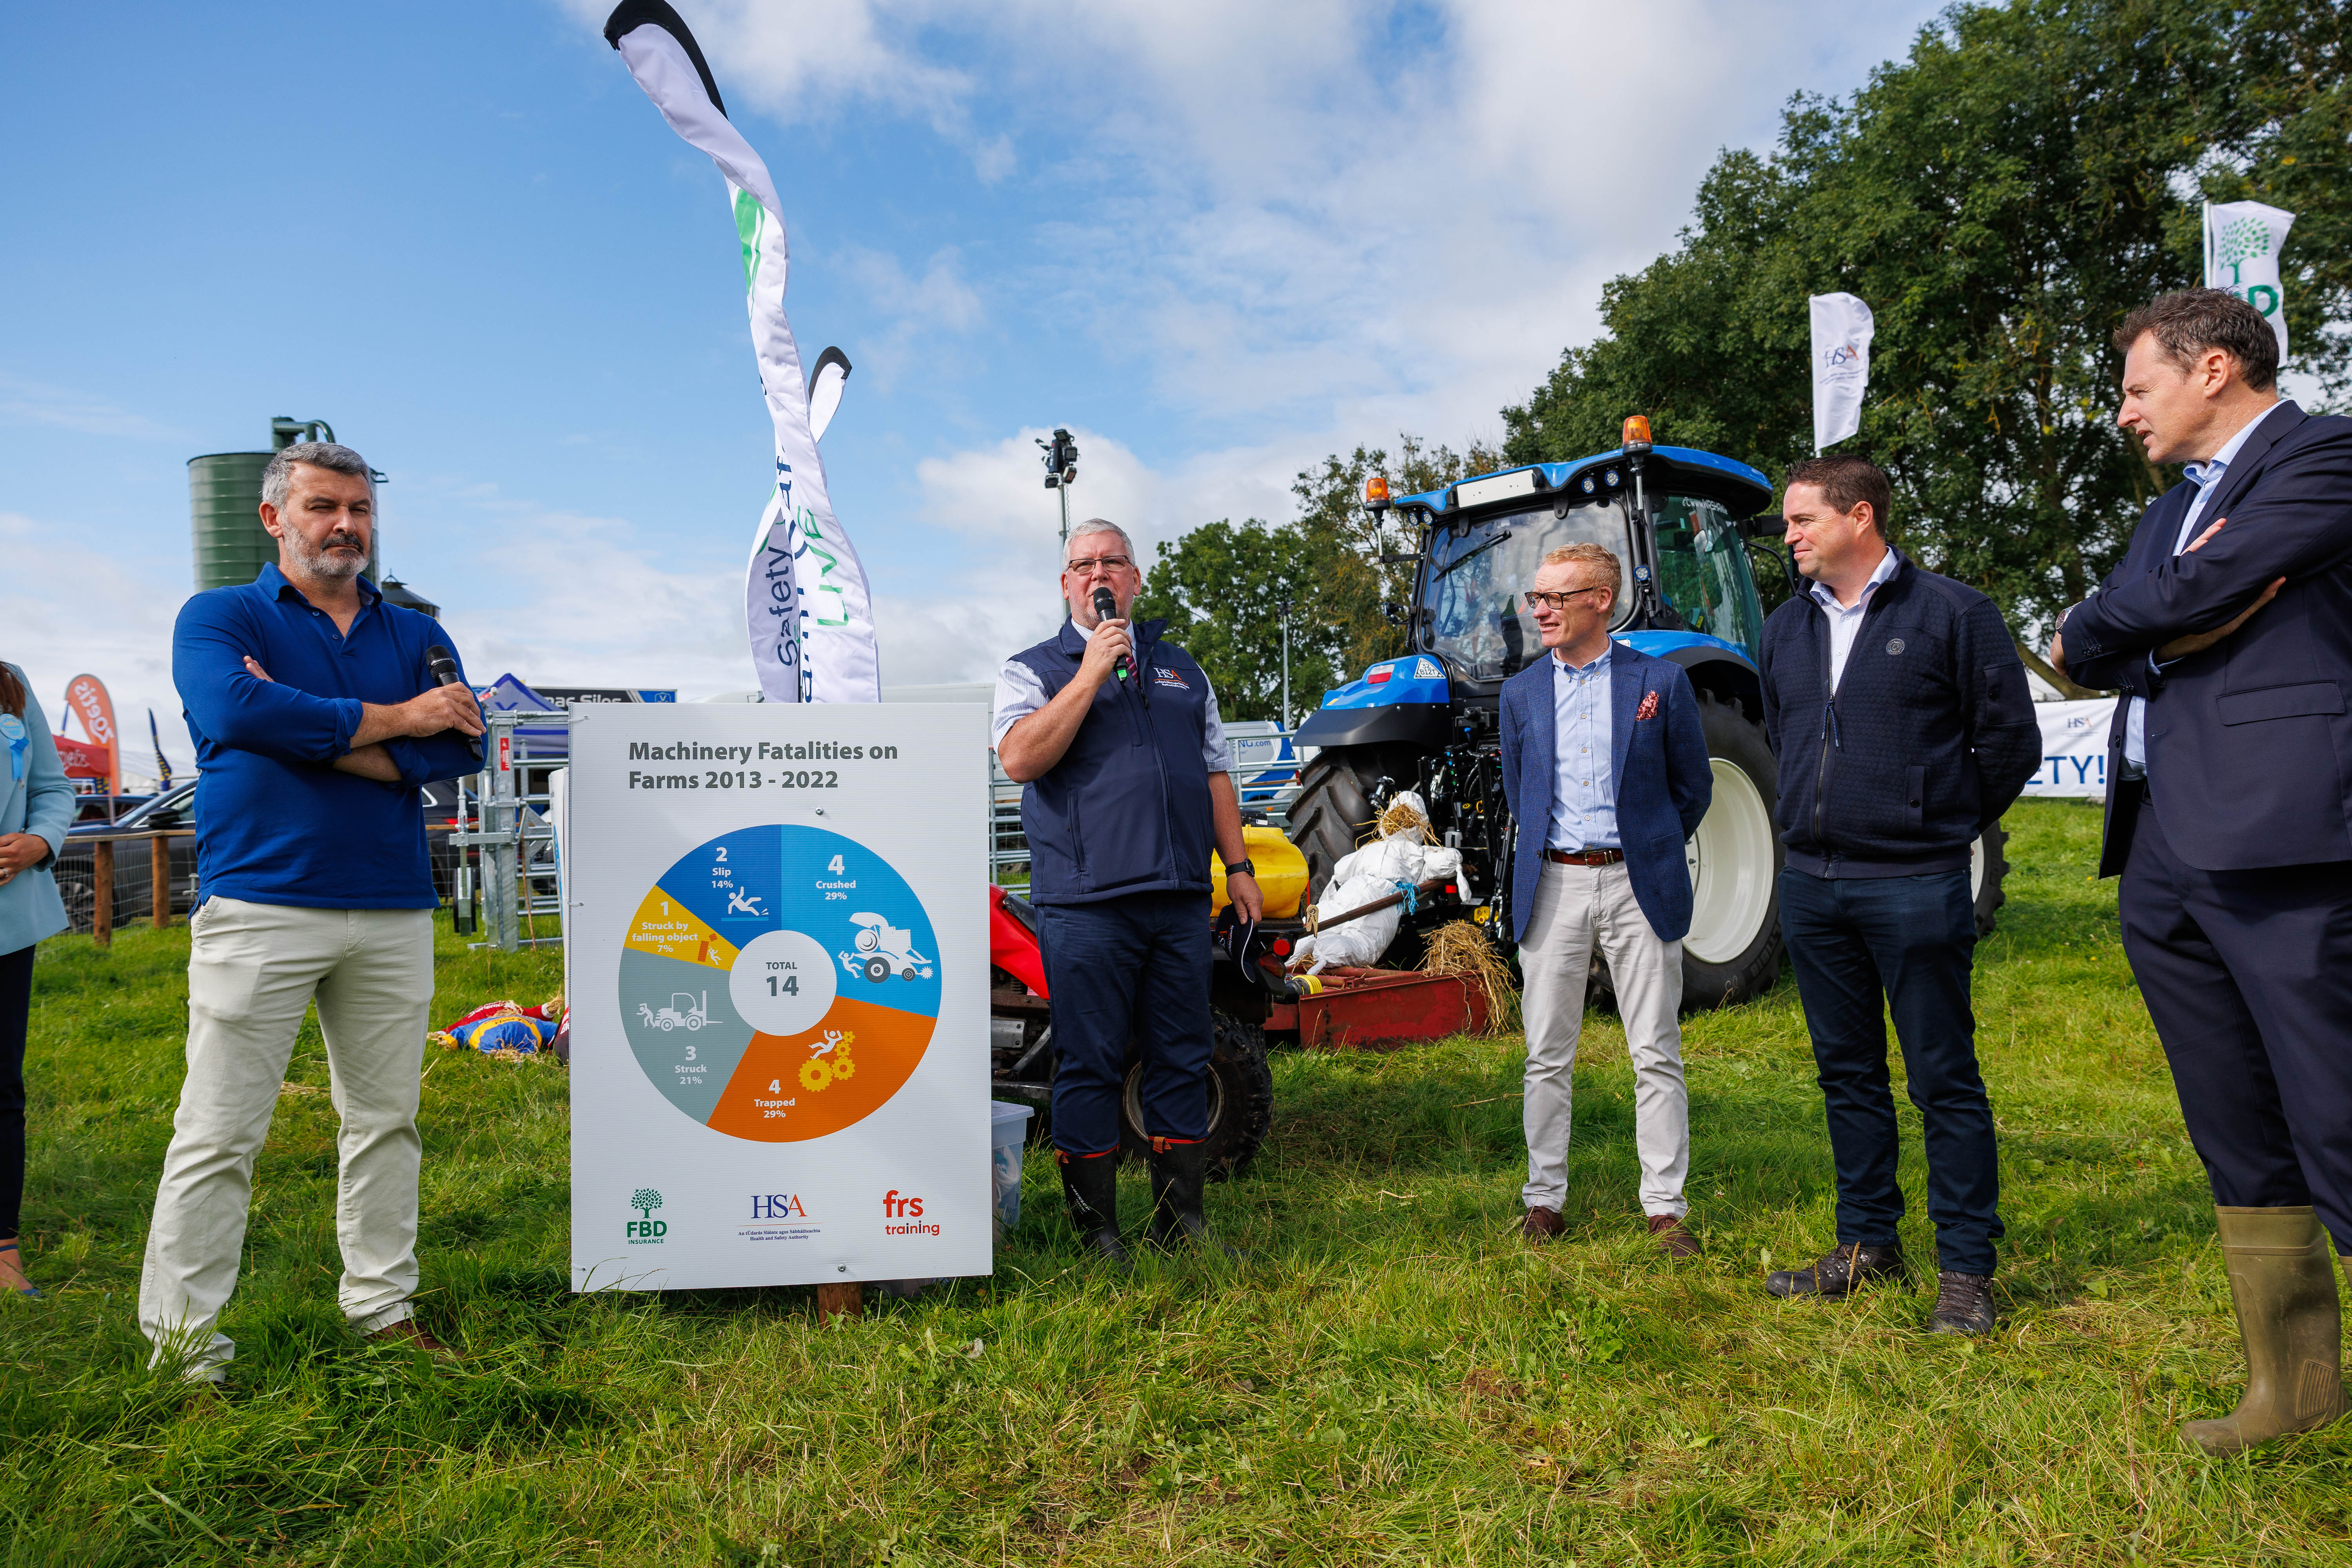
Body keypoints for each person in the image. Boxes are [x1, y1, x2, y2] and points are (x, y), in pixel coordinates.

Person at [2052, 288, 2352, 1452]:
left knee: (2334, 1105)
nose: (2125, 412)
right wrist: (2154, 620)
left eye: (2139, 388)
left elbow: (2175, 602)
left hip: (2285, 837)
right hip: (2164, 846)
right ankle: (2296, 1384)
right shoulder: (2171, 513)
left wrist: (2154, 617)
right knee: (2232, 1119)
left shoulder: (2322, 457)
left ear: (2214, 368)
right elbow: (2101, 640)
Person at [140, 441, 485, 1387]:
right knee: (219, 1131)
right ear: (273, 518)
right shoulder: (219, 615)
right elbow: (234, 710)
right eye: (324, 506)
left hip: (392, 902)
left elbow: (464, 748)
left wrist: (306, 726)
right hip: (262, 898)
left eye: (360, 509)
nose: (346, 525)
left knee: (386, 1120)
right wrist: (401, 718)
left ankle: (382, 1305)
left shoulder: (413, 629)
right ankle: (185, 1350)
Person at [1758, 456, 2040, 1334]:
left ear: (1860, 517)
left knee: (1942, 1080)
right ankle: (1867, 1245)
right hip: (1811, 888)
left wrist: (1934, 820)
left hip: (1915, 884)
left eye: (1803, 519)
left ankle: (1967, 1271)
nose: (1789, 535)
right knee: (1847, 1075)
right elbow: (1783, 736)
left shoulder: (1954, 613)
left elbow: (2011, 743)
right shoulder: (1784, 627)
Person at [993, 520, 1261, 1264]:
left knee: (1182, 1055)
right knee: (1091, 1062)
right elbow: (1019, 760)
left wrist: (1238, 866)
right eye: (1083, 564)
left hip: (1178, 897)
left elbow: (1215, 772)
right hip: (1087, 905)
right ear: (1066, 584)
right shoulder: (1032, 670)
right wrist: (1089, 674)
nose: (1098, 574)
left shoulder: (1183, 670)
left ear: (1135, 579)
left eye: (1112, 561)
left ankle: (1183, 1226)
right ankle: (1098, 1235)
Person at [1497, 543, 1713, 1258]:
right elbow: (1521, 793)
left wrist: (1648, 847)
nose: (1541, 611)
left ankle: (1665, 1209)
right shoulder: (1521, 693)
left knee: (1655, 1050)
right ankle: (1544, 1201)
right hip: (1552, 885)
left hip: (1636, 883)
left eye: (1556, 598)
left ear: (1601, 600)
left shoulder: (1661, 682)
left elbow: (1693, 788)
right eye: (1536, 598)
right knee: (1545, 1054)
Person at [0, 661, 73, 1299]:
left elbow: (53, 789)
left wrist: (39, 842)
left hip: (7, 925)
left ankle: (3, 1250)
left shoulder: (11, 681)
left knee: (2, 1087)